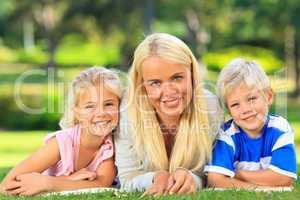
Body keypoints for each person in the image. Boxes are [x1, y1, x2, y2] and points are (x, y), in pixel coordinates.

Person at [115, 33, 223, 196]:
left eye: (177, 78)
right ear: (142, 84)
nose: (169, 91)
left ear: (192, 74)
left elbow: (210, 174)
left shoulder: (209, 106)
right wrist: (155, 178)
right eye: (155, 83)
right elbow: (127, 178)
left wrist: (191, 179)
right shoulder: (128, 110)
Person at [0, 67, 123, 196]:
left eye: (109, 104)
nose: (101, 113)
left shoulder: (110, 145)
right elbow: (6, 186)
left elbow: (102, 184)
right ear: (77, 112)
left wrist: (49, 183)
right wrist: (67, 180)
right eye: (89, 106)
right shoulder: (62, 144)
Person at [205, 58, 297, 188]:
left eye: (252, 99)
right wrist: (260, 189)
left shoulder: (279, 128)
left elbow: (284, 178)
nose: (246, 109)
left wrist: (241, 175)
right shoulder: (227, 135)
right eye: (235, 104)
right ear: (229, 111)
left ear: (269, 96)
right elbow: (216, 180)